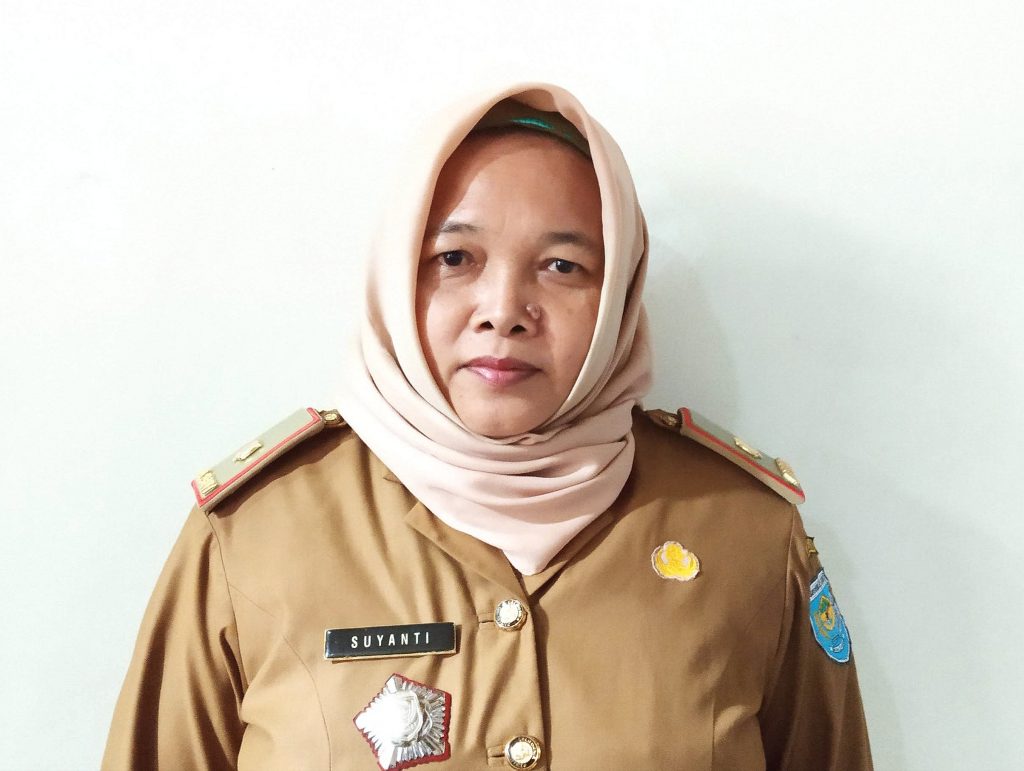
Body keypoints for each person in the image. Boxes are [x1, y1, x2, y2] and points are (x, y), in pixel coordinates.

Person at [103, 82, 872, 770]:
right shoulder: (251, 538)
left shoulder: (745, 533)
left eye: (562, 266)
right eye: (455, 257)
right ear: (397, 275)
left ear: (617, 293)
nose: (504, 310)